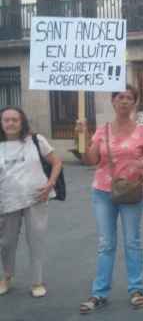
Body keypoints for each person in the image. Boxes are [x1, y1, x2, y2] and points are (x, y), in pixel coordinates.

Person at [76, 85, 143, 314]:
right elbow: (90, 160)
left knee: (132, 241)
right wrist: (81, 137)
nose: (124, 101)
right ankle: (99, 292)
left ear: (135, 103)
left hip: (131, 192)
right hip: (102, 192)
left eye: (129, 98)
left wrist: (141, 164)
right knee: (106, 244)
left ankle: (136, 289)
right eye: (120, 97)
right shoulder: (102, 130)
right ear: (113, 102)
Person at [0, 106, 62, 298]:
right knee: (6, 242)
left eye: (14, 120)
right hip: (7, 200)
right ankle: (7, 276)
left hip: (36, 197)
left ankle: (37, 281)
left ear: (22, 121)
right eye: (6, 120)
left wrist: (50, 184)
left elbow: (56, 162)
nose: (10, 123)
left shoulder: (35, 140)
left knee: (35, 240)